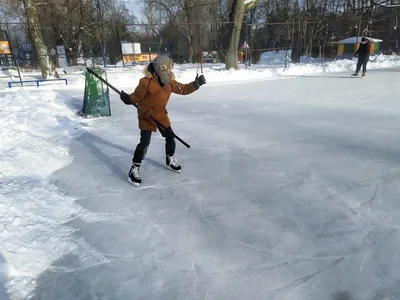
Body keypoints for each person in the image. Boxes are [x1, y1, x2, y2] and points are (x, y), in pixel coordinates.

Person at [119, 55, 206, 186]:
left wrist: (196, 84)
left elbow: (183, 89)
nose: (171, 70)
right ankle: (134, 168)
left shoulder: (170, 82)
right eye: (169, 67)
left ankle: (169, 159)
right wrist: (127, 99)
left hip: (160, 114)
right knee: (144, 143)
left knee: (170, 137)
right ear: (162, 68)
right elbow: (136, 97)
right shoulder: (146, 82)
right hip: (146, 114)